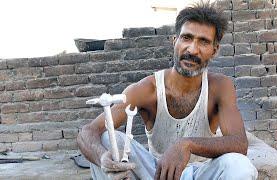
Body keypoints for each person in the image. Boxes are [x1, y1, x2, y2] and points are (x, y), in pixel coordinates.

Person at [77, 1, 258, 179]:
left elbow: (239, 143)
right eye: (186, 38)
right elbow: (88, 132)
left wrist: (186, 145)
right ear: (175, 41)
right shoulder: (147, 90)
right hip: (156, 172)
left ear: (214, 50)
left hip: (202, 172)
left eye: (203, 42)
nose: (192, 49)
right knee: (107, 140)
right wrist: (102, 157)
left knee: (240, 166)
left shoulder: (220, 87)